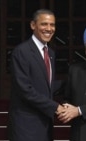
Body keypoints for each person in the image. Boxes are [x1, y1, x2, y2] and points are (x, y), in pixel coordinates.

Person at [7, 9, 65, 141]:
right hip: (26, 127)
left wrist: (73, 83)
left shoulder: (50, 53)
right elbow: (25, 90)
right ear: (33, 25)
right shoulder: (22, 52)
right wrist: (56, 107)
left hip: (45, 124)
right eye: (44, 24)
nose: (49, 29)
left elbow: (45, 85)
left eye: (52, 25)